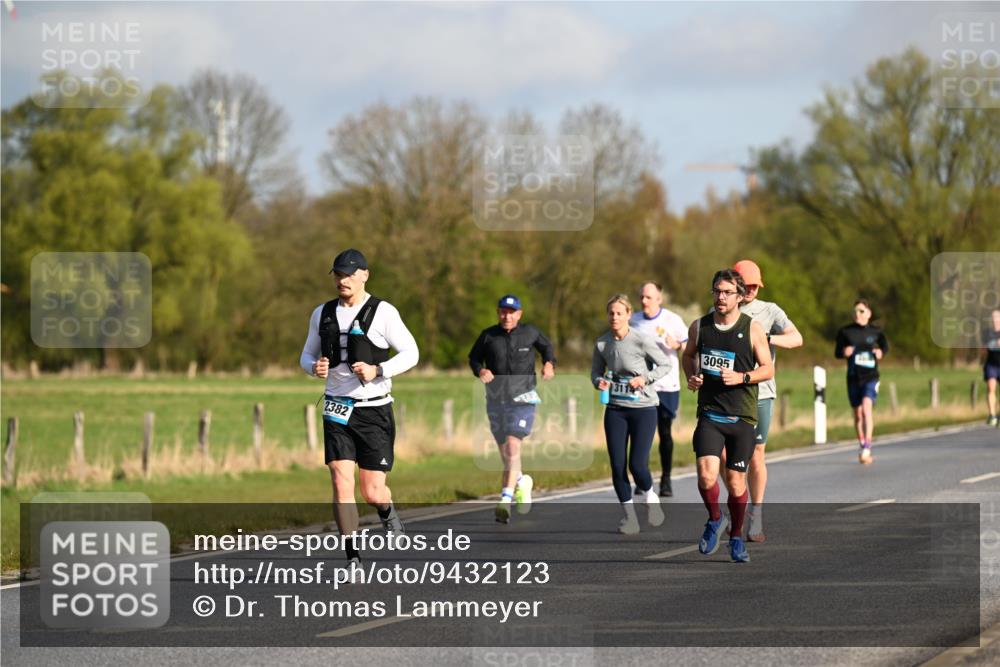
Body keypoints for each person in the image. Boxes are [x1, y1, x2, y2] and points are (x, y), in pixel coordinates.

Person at [300, 249, 419, 567]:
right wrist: (315, 368)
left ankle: (386, 509)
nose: (343, 280)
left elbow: (411, 352)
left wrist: (379, 370)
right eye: (338, 274)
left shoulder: (383, 312)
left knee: (373, 491)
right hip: (336, 408)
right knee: (341, 480)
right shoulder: (321, 313)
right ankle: (352, 557)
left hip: (373, 409)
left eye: (349, 274)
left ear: (365, 274)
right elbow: (305, 356)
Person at [682, 269, 773, 563]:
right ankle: (714, 519)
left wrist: (742, 377)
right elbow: (688, 355)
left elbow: (768, 368)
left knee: (735, 483)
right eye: (716, 292)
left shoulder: (752, 328)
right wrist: (692, 376)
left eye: (727, 292)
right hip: (710, 413)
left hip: (742, 418)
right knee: (707, 475)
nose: (721, 297)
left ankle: (735, 536)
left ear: (740, 295)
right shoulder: (700, 326)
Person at [730, 259, 803, 542]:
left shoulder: (769, 310)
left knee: (756, 454)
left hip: (760, 393)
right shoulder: (721, 308)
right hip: (727, 395)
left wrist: (766, 338)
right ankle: (736, 504)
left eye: (754, 286)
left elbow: (797, 339)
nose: (750, 290)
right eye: (745, 285)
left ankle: (755, 515)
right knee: (725, 458)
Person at [468, 294, 556, 523]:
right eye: (503, 311)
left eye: (511, 312)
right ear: (498, 313)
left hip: (524, 399)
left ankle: (505, 499)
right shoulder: (488, 336)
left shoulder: (530, 333)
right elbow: (474, 358)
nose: (507, 316)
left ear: (519, 314)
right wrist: (481, 371)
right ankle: (521, 482)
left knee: (513, 446)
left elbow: (547, 348)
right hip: (496, 400)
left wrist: (549, 364)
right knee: (506, 454)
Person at [592, 294, 672, 535]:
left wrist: (644, 378)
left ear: (628, 315)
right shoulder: (602, 344)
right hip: (615, 410)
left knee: (638, 465)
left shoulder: (641, 340)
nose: (614, 317)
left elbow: (665, 365)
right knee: (617, 466)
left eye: (619, 313)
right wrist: (599, 382)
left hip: (643, 409)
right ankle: (630, 519)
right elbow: (595, 372)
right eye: (611, 313)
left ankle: (650, 497)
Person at [629, 282, 688, 497]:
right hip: (642, 387)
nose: (644, 301)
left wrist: (677, 344)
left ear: (659, 299)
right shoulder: (633, 320)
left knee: (664, 433)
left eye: (648, 297)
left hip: (667, 386)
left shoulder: (672, 320)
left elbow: (690, 344)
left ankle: (666, 479)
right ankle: (641, 478)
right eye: (642, 297)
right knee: (641, 433)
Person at [834, 299, 888, 464]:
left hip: (871, 376)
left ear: (869, 313)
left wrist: (880, 352)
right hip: (853, 377)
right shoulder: (845, 332)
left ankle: (867, 447)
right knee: (858, 415)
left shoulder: (876, 332)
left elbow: (885, 347)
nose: (858, 314)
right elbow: (837, 353)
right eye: (855, 311)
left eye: (861, 311)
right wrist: (845, 352)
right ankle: (862, 443)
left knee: (866, 409)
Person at [982, 309, 1000, 427]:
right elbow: (983, 348)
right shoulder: (987, 333)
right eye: (993, 318)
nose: (995, 320)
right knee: (991, 388)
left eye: (997, 317)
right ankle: (992, 415)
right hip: (991, 364)